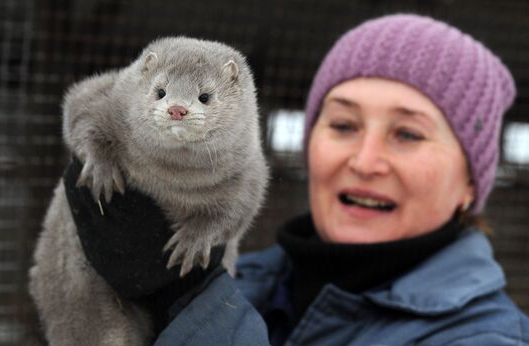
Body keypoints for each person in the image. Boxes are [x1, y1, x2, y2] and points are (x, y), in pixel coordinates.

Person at [65, 14, 529, 345]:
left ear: (471, 181)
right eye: (344, 126)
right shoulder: (253, 279)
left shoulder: (485, 337)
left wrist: (184, 303)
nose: (366, 161)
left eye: (408, 134)